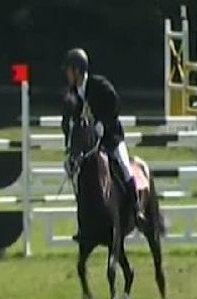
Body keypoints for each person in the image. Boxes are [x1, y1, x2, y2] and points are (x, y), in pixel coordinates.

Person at [61, 48, 144, 223]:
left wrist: (102, 123)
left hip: (111, 138)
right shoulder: (72, 93)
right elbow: (67, 122)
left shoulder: (98, 85)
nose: (67, 75)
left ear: (78, 71)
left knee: (124, 166)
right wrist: (70, 151)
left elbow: (115, 103)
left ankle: (137, 210)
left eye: (69, 70)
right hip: (88, 145)